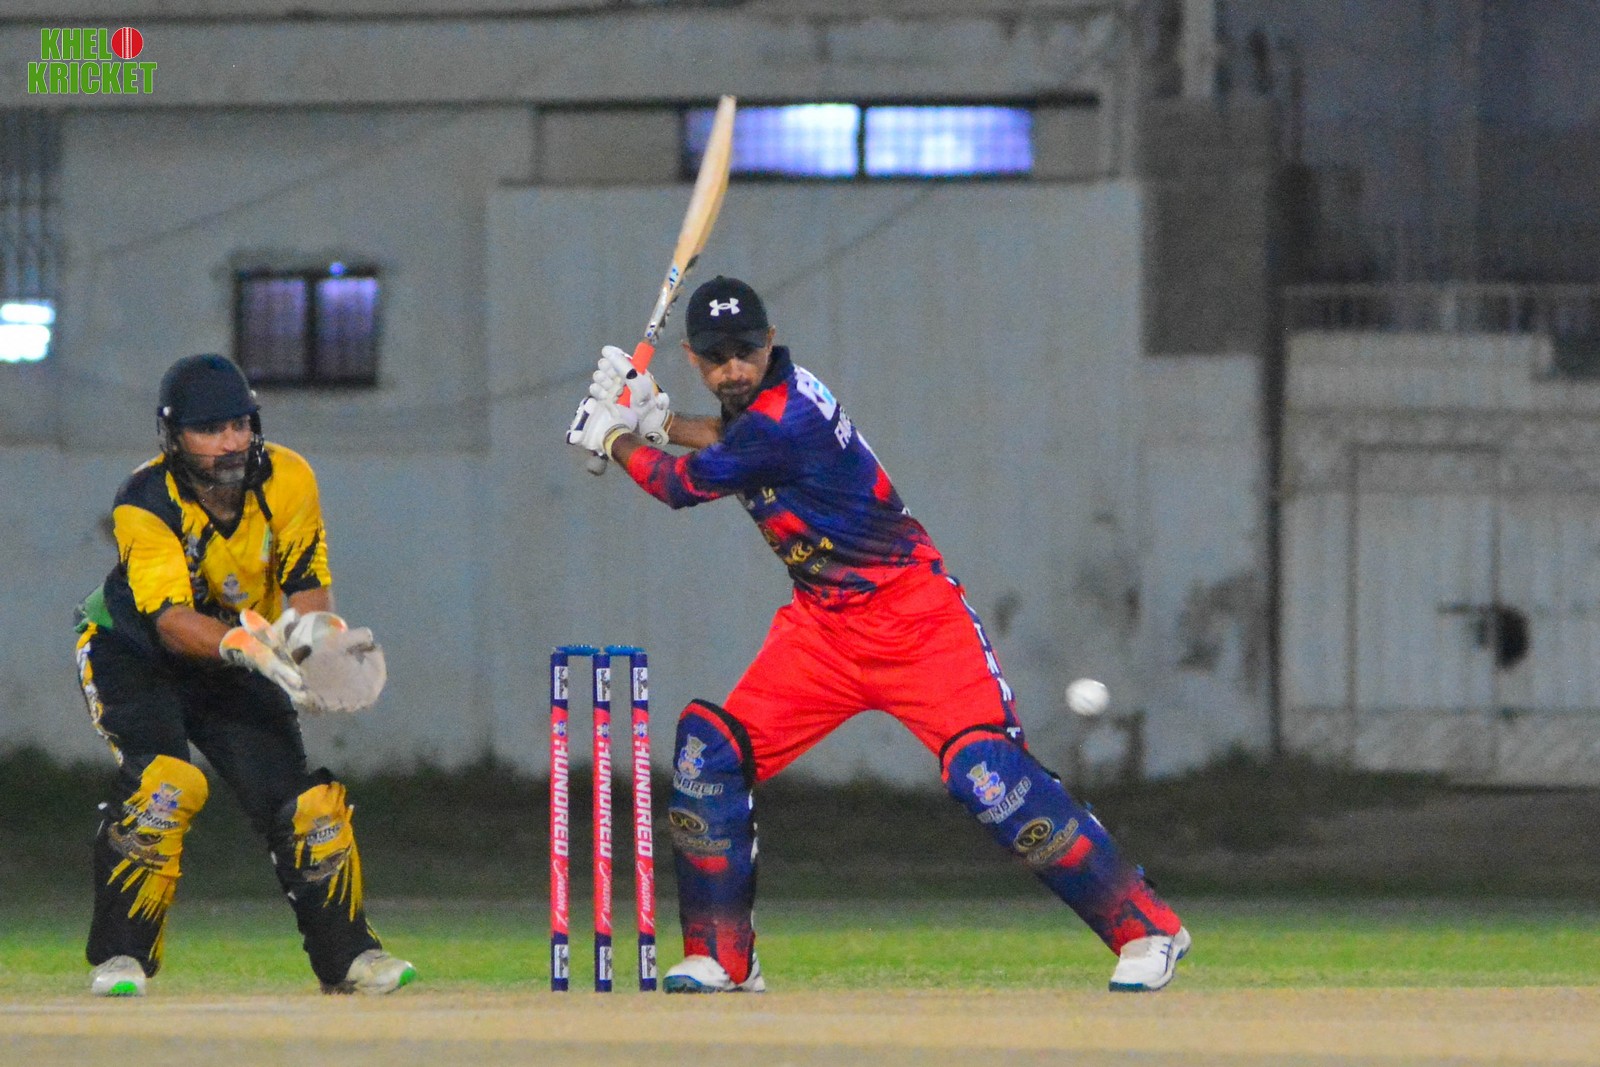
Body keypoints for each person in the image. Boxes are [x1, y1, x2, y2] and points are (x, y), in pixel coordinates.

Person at [566, 276, 1189, 993]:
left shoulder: (785, 417)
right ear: (693, 356)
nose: (733, 368)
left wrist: (613, 433)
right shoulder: (767, 408)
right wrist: (662, 422)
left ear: (770, 343)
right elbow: (732, 441)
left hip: (916, 619)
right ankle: (723, 958)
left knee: (990, 777)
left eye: (745, 352)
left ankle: (1148, 929)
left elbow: (680, 485)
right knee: (711, 753)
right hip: (821, 632)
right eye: (716, 357)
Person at [71, 353, 414, 997]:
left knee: (307, 805)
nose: (230, 441)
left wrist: (315, 647)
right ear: (174, 437)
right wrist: (251, 649)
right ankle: (120, 959)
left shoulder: (289, 477)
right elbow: (171, 621)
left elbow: (307, 584)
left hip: (239, 650)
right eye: (209, 429)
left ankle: (350, 958)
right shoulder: (144, 501)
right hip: (133, 652)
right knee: (165, 784)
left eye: (240, 424)